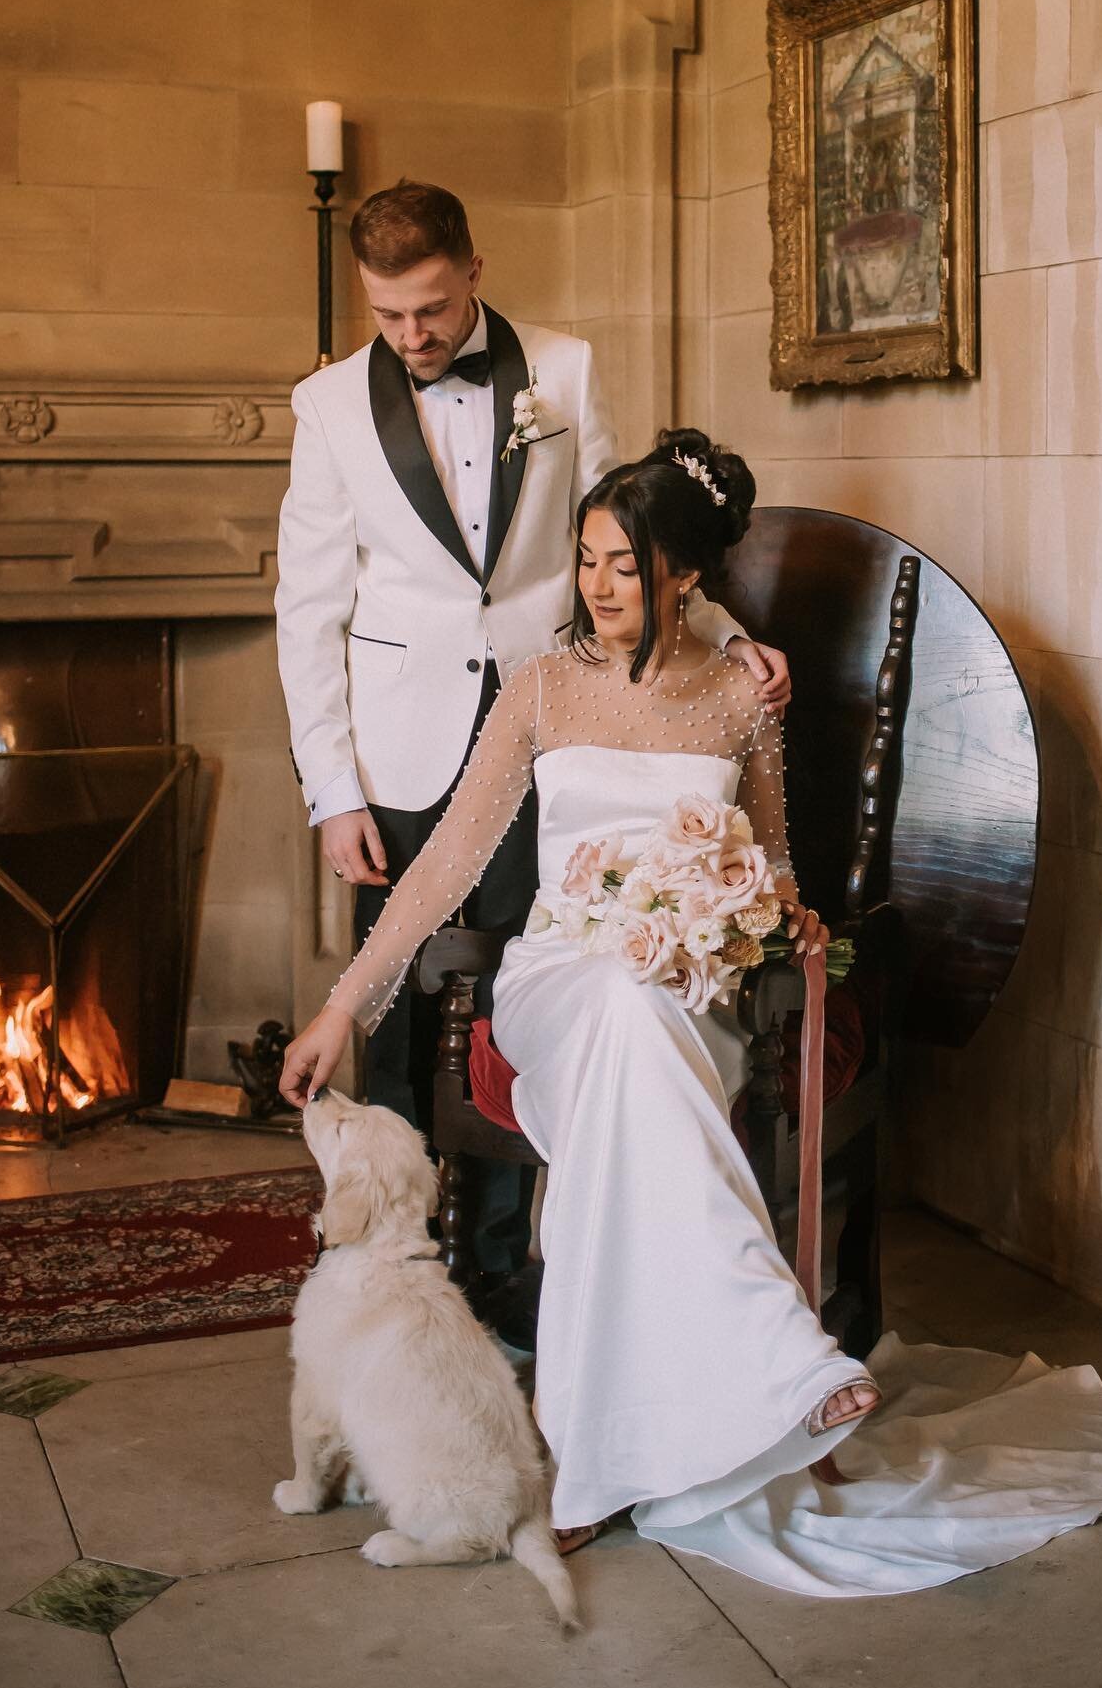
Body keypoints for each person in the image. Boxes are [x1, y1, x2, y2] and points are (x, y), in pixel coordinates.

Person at [279, 429, 1102, 1596]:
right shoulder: (539, 686)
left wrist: (771, 914)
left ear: (684, 574)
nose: (597, 584)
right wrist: (343, 1007)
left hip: (692, 982)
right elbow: (439, 871)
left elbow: (777, 867)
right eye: (586, 558)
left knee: (633, 1060)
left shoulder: (744, 698)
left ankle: (588, 1468)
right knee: (614, 1022)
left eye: (625, 565)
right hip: (556, 976)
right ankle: (780, 1352)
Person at [276, 182, 787, 1296]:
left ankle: (506, 1267)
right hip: (396, 746)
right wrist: (332, 789)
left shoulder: (563, 370)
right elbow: (307, 607)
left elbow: (633, 532)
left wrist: (736, 642)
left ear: (473, 268)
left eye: (431, 309)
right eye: (388, 315)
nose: (412, 336)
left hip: (555, 724)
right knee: (407, 997)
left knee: (517, 986)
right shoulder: (325, 407)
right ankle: (396, 1271)